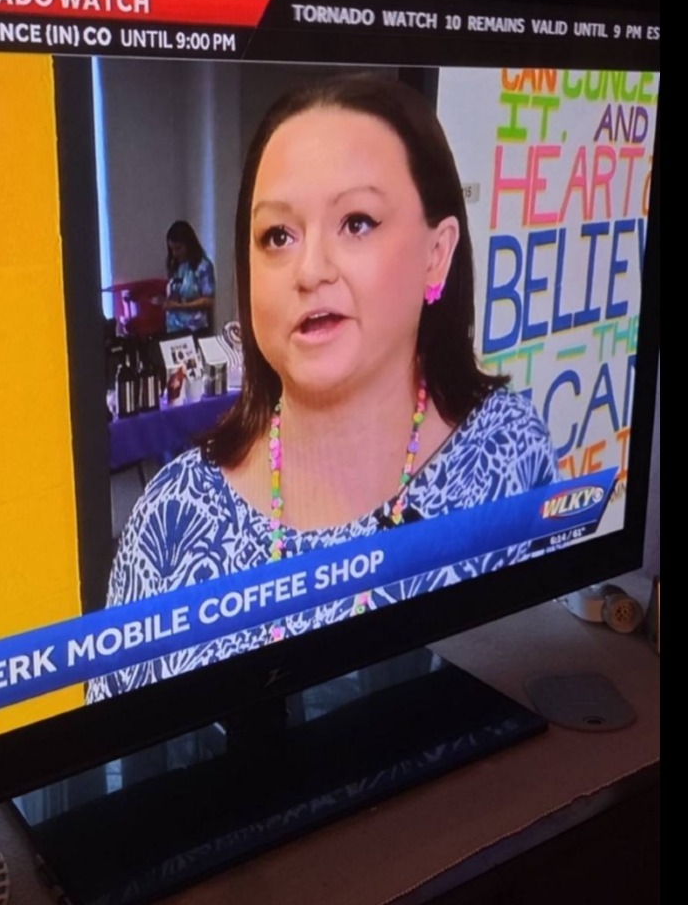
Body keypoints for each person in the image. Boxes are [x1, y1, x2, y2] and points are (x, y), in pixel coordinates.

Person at [88, 73, 559, 701]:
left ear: (437, 254)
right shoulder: (170, 517)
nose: (310, 271)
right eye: (277, 237)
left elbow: (543, 693)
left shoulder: (508, 452)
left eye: (357, 222)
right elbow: (124, 749)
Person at [161, 220, 216, 336]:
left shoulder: (203, 266)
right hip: (173, 328)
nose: (175, 253)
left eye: (178, 248)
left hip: (194, 329)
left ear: (189, 244)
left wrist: (181, 306)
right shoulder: (176, 265)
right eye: (172, 249)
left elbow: (209, 300)